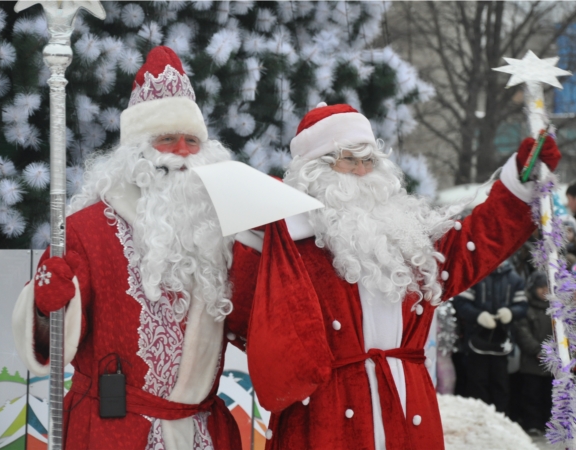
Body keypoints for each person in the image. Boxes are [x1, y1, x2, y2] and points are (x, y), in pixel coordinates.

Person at [226, 103, 561, 449]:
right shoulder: (288, 247)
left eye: (368, 160)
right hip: (326, 418)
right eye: (347, 159)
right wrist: (254, 241)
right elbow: (243, 320)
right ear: (315, 171)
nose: (361, 171)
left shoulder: (407, 242)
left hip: (407, 410)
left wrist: (520, 181)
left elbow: (474, 245)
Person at [12, 47, 242, 449]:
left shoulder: (220, 234)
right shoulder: (85, 231)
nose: (183, 153)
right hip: (113, 431)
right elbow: (53, 341)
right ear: (138, 152)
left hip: (200, 431)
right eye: (167, 140)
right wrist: (47, 304)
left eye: (192, 141)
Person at [453, 260, 528, 414]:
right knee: (476, 382)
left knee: (501, 383)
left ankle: (501, 418)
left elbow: (522, 306)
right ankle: (479, 418)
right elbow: (461, 303)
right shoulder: (476, 275)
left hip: (502, 340)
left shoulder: (515, 279)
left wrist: (511, 312)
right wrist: (478, 315)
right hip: (476, 338)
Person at [514, 271, 553, 436]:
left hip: (553, 362)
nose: (544, 291)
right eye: (541, 288)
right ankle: (532, 424)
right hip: (532, 362)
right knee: (532, 395)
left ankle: (549, 423)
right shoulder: (526, 308)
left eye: (547, 288)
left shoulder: (557, 309)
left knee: (549, 395)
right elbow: (522, 332)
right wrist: (537, 350)